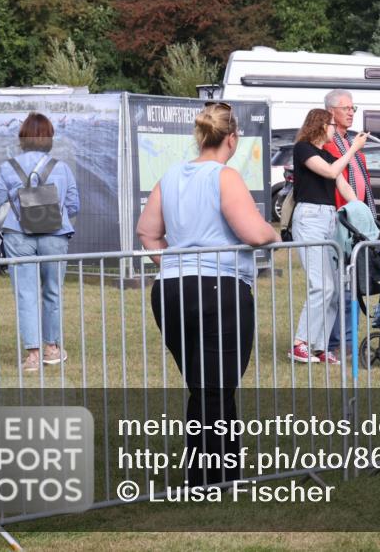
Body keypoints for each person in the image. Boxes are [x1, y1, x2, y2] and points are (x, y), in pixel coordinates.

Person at [136, 102, 279, 485]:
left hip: (171, 289)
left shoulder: (170, 176)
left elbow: (147, 232)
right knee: (214, 389)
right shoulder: (225, 176)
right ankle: (207, 479)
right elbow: (253, 233)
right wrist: (274, 233)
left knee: (206, 388)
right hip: (219, 289)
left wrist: (174, 264)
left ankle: (222, 472)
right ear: (231, 138)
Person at [0, 112, 79, 373]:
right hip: (55, 234)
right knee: (53, 291)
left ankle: (33, 356)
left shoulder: (8, 167)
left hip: (18, 235)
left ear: (22, 138)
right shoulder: (61, 168)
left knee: (26, 294)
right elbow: (74, 205)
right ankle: (52, 348)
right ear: (49, 138)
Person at [290, 108, 369, 364]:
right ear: (322, 125)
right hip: (310, 219)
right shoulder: (303, 149)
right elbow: (331, 172)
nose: (335, 130)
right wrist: (353, 149)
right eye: (332, 125)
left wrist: (361, 211)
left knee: (334, 289)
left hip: (328, 219)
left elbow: (341, 183)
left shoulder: (327, 154)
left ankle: (320, 346)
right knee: (320, 285)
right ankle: (300, 343)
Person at [323, 89, 375, 356]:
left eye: (353, 108)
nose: (351, 112)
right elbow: (335, 177)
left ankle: (348, 339)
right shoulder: (330, 145)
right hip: (339, 223)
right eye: (346, 108)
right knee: (339, 286)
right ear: (331, 111)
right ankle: (338, 341)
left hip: (355, 224)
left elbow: (363, 186)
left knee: (352, 284)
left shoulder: (354, 148)